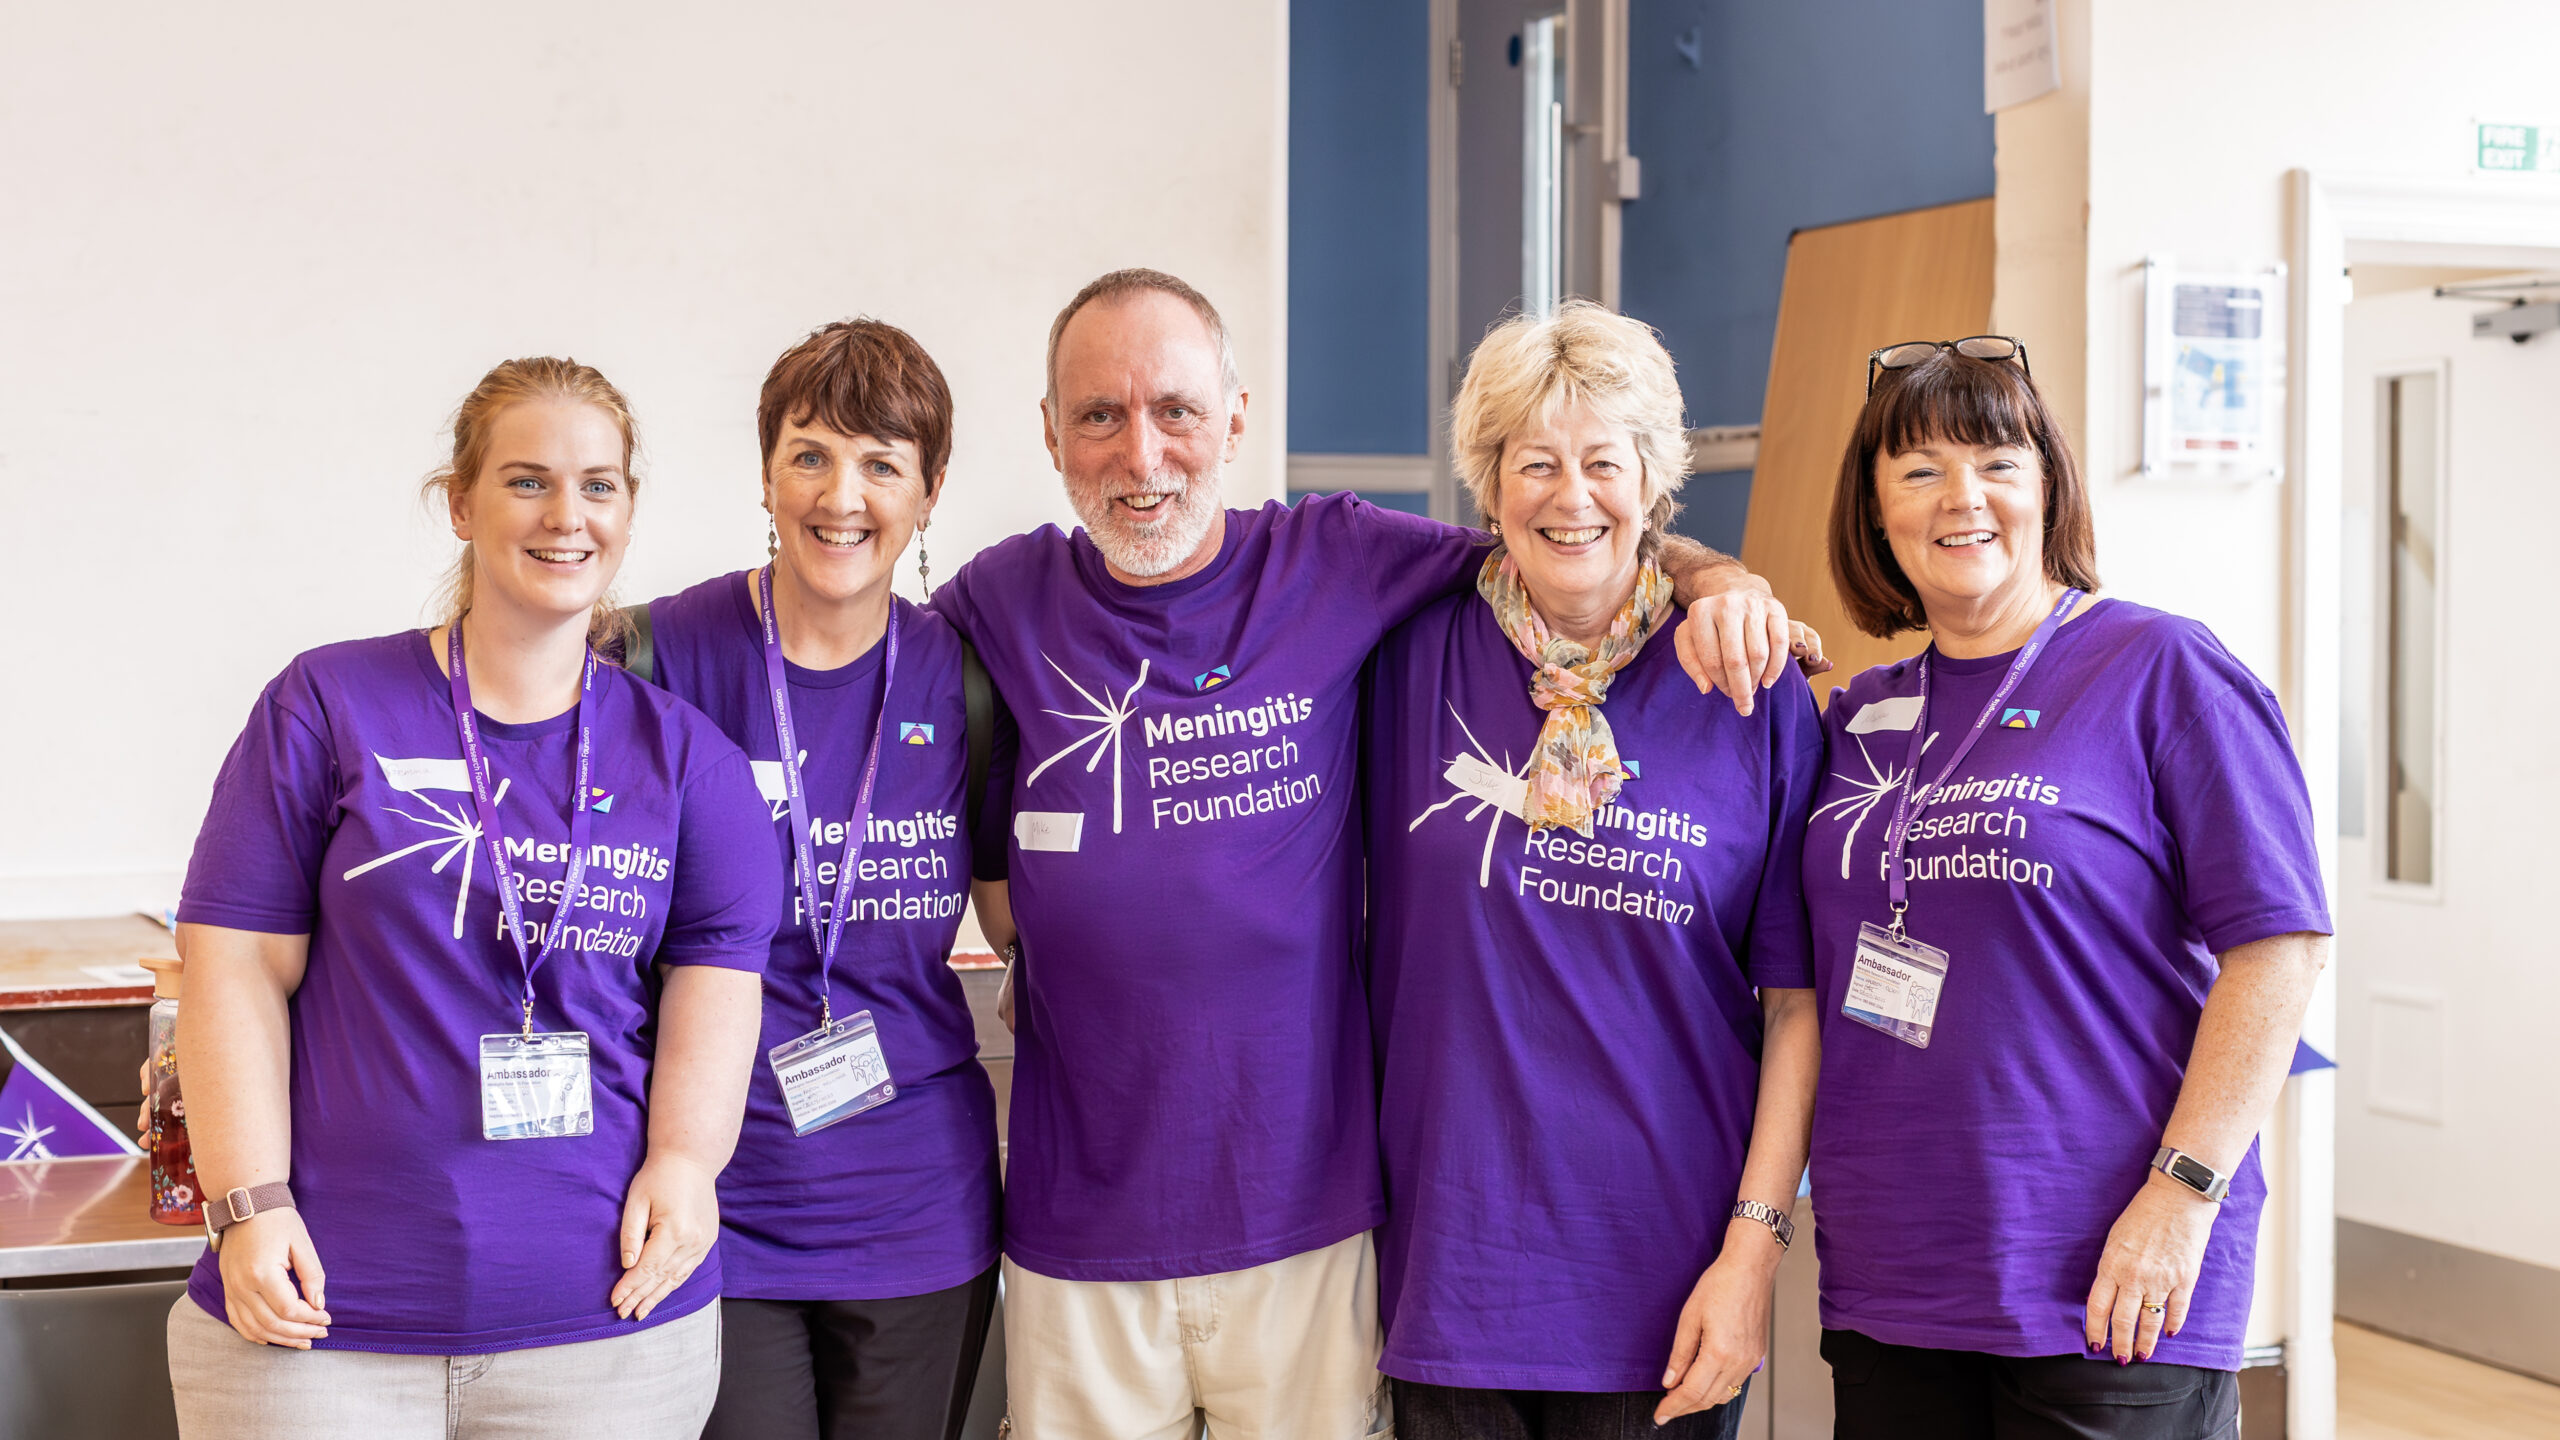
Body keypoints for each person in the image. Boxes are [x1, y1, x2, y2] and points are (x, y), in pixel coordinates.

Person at [930, 269, 1818, 1438]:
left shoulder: (1724, 683)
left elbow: (1796, 997)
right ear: (1051, 434)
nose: (1142, 454)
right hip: (1345, 1262)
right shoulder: (1015, 601)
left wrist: (1725, 579)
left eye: (1177, 411)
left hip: (1498, 1250)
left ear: (1235, 418)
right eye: (1100, 415)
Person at [165, 358, 781, 1439]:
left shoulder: (689, 761)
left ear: (630, 510)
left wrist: (688, 1162)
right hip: (317, 1324)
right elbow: (235, 967)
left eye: (599, 486)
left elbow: (716, 983)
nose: (567, 517)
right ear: (460, 503)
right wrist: (247, 1203)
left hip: (608, 1333)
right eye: (527, 481)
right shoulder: (329, 702)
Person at [1801, 337, 2331, 1438]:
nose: (1964, 497)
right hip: (1896, 1272)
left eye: (1998, 460)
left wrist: (2181, 1196)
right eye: (1919, 471)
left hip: (2109, 1275)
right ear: (1876, 514)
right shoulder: (1855, 718)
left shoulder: (2161, 669)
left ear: (2049, 486)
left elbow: (2279, 947)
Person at [1361, 301, 1826, 1440]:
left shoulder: (1750, 688)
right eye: (1536, 463)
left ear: (1654, 481)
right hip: (1449, 1271)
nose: (1571, 498)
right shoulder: (1397, 658)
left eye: (1603, 462)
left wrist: (1755, 1254)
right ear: (1488, 481)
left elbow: (1795, 1005)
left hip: (1667, 1284)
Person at [636, 319, 1006, 1440]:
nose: (841, 495)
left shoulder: (969, 683)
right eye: (810, 454)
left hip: (917, 1206)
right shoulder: (661, 658)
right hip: (713, 1202)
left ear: (930, 491)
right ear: (765, 472)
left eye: (881, 463)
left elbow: (1019, 916)